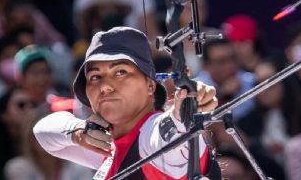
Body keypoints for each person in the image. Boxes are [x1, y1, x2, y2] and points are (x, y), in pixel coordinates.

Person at [33, 27, 220, 179]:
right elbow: (42, 133)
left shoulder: (151, 137)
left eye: (121, 72)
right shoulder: (107, 146)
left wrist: (187, 105)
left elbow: (171, 132)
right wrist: (79, 132)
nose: (105, 86)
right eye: (95, 76)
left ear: (150, 84)